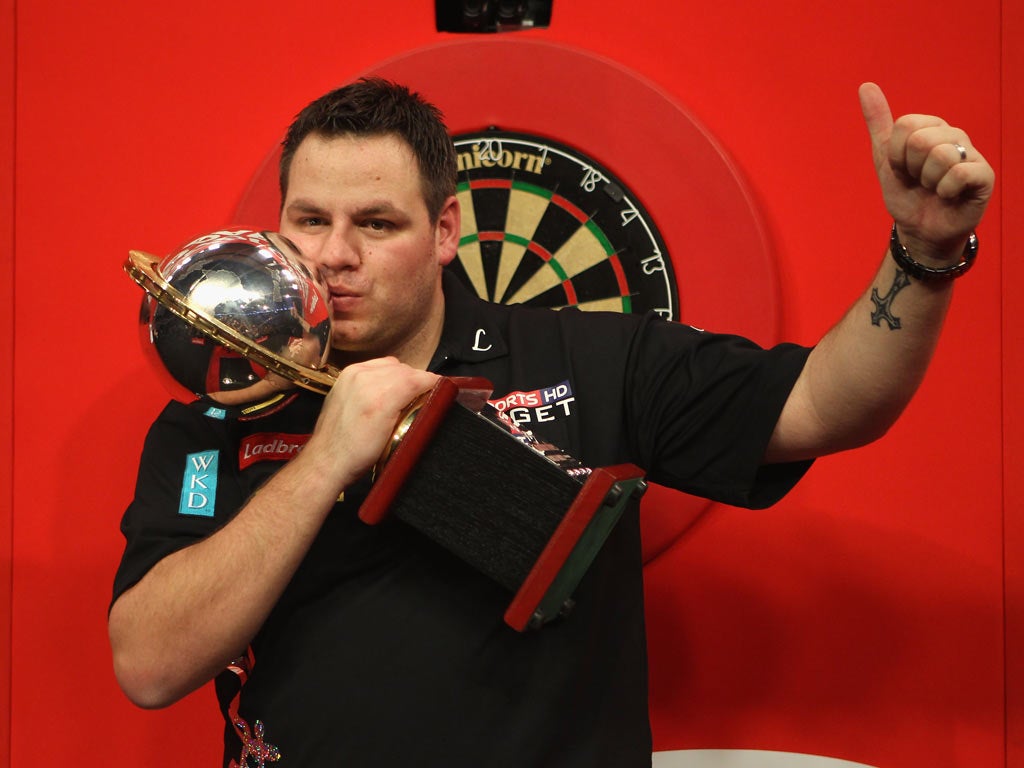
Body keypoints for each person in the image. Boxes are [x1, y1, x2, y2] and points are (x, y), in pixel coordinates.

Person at [108, 78, 994, 767]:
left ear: (447, 229)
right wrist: (325, 459)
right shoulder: (222, 414)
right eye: (310, 219)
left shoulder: (591, 358)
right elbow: (148, 665)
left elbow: (829, 405)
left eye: (377, 223)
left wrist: (924, 253)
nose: (336, 255)